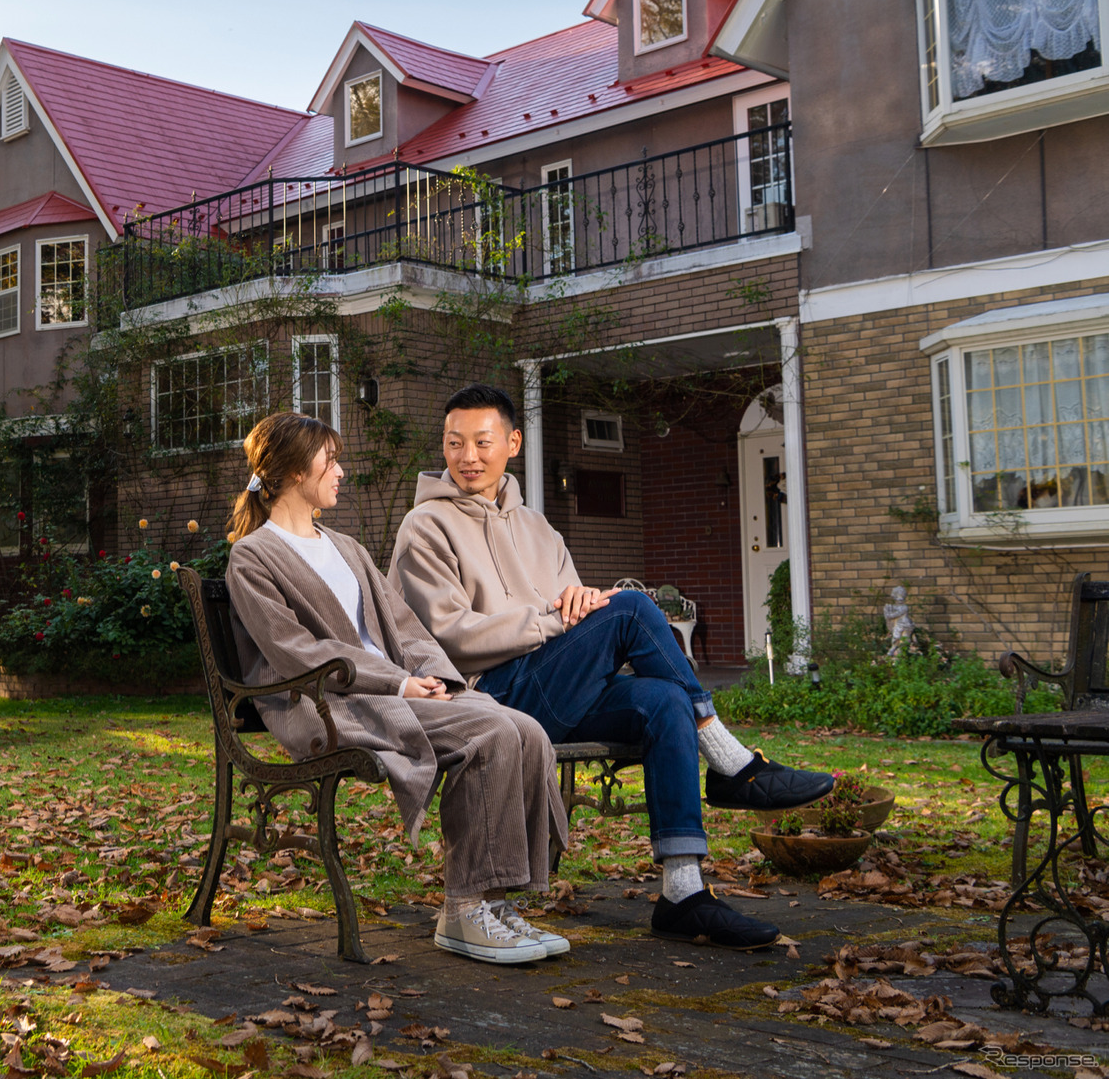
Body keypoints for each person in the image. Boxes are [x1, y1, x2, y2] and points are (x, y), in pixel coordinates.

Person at [387, 384, 834, 950]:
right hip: (495, 696)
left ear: (513, 443)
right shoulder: (425, 526)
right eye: (455, 444)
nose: (468, 457)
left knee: (662, 700)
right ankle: (729, 760)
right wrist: (554, 618)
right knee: (628, 606)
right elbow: (452, 637)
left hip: (560, 686)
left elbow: (575, 604)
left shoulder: (538, 528)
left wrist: (575, 607)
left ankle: (683, 892)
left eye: (482, 442)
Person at [224, 411, 568, 965]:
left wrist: (436, 679)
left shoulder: (345, 546)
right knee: (491, 731)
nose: (341, 472)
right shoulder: (253, 556)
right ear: (291, 472)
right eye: (329, 461)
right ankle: (463, 910)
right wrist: (398, 683)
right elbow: (296, 651)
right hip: (332, 702)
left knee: (524, 728)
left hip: (396, 689)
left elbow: (406, 627)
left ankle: (496, 902)